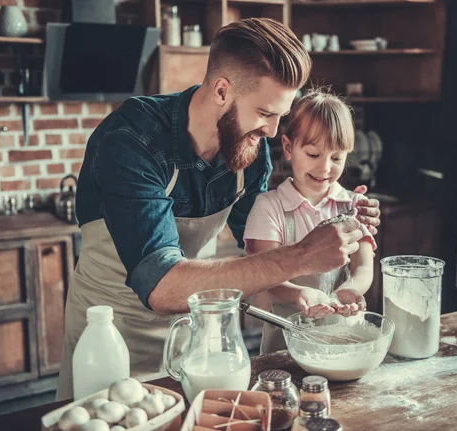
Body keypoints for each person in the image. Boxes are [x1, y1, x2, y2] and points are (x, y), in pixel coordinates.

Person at [56, 18, 380, 400]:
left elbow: (263, 246)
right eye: (264, 113)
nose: (274, 132)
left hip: (195, 343)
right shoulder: (131, 139)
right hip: (112, 342)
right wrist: (304, 255)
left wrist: (337, 219)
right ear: (222, 91)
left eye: (280, 115)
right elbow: (161, 286)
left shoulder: (250, 154)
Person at [243, 89, 376, 354]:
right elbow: (266, 277)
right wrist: (298, 294)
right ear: (290, 147)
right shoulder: (269, 207)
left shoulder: (352, 205)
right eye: (314, 155)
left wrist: (349, 290)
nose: (325, 168)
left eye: (337, 158)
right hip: (285, 345)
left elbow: (363, 267)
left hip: (343, 338)